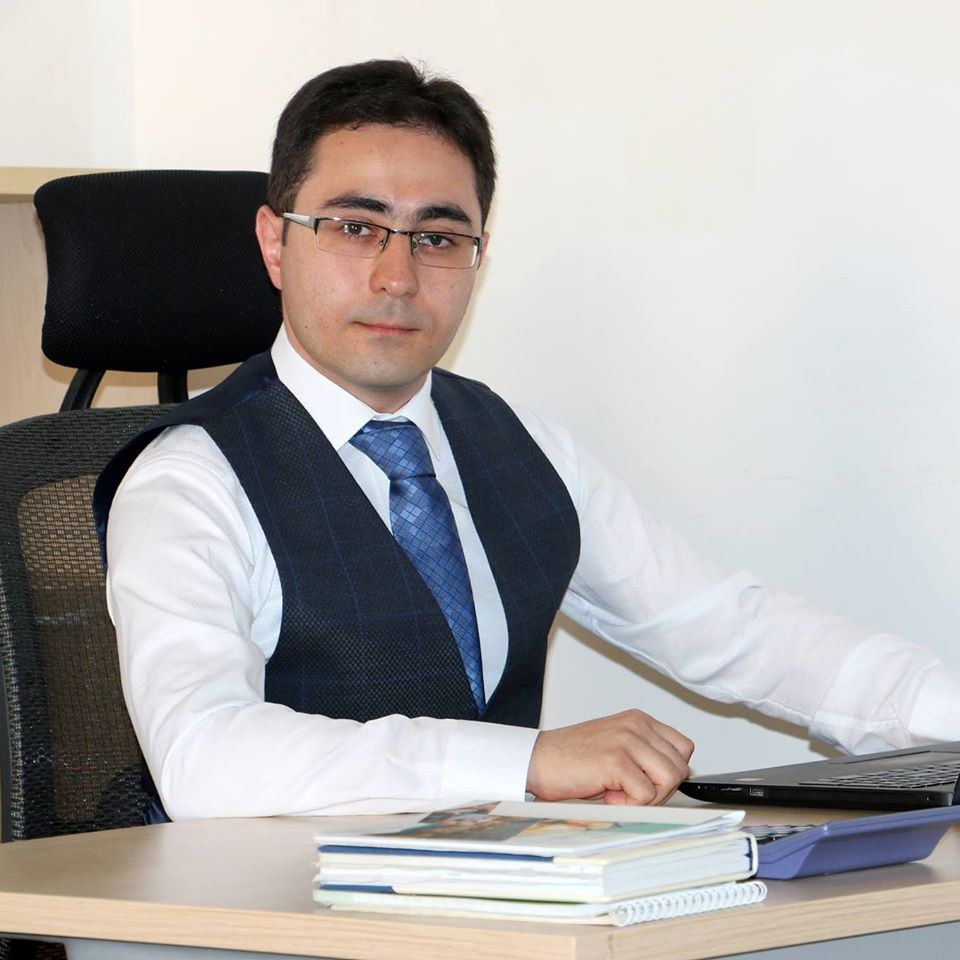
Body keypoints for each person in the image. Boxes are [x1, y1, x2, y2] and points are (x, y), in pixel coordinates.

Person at [95, 59, 960, 823]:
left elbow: (730, 630)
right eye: (356, 228)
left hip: (497, 906)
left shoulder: (519, 446)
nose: (397, 277)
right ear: (275, 243)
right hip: (266, 915)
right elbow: (203, 756)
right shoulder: (188, 480)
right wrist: (526, 763)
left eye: (438, 238)